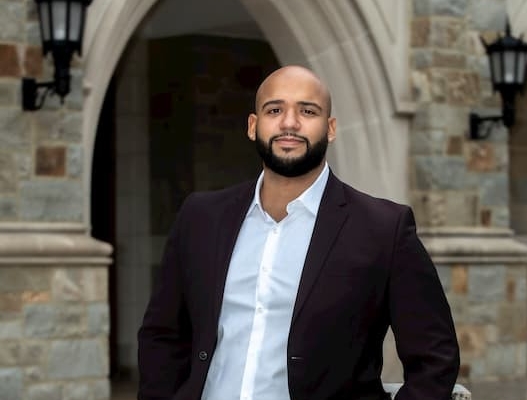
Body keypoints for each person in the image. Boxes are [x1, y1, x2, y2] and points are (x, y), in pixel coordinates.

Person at [137, 65, 460, 400]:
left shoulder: (383, 229)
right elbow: (162, 336)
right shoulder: (201, 217)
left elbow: (435, 358)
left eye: (307, 111)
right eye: (274, 110)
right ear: (253, 126)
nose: (289, 123)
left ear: (331, 128)